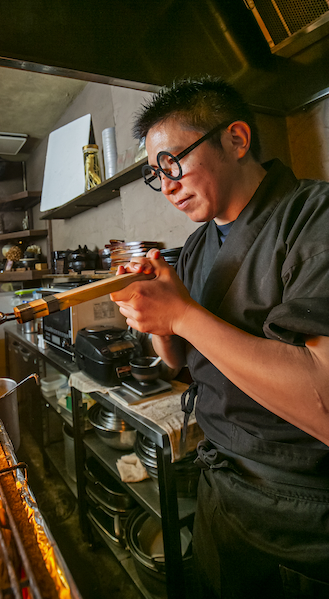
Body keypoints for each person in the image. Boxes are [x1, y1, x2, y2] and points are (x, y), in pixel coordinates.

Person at [110, 76, 329, 599]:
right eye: (155, 174)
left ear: (236, 139)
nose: (166, 185)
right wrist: (156, 322)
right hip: (220, 491)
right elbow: (182, 365)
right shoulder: (195, 247)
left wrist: (183, 315)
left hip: (298, 509)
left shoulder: (312, 217)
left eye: (173, 162)